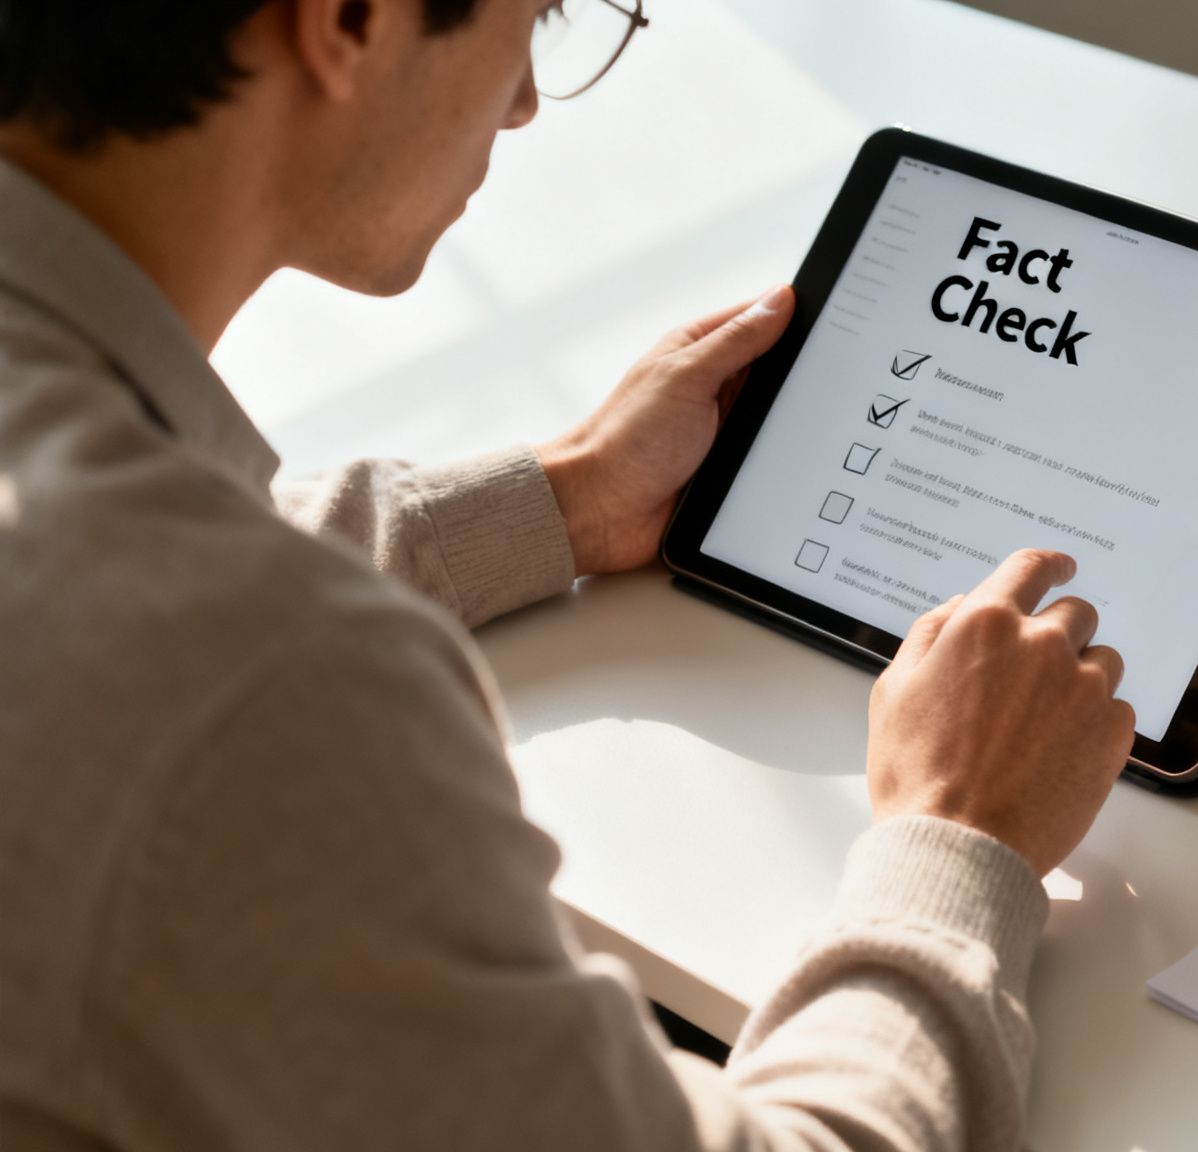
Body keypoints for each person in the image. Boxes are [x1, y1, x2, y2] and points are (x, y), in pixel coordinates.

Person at [0, 1, 1137, 1149]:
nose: (527, 100)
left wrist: (573, 493)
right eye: (534, 13)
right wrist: (959, 834)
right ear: (349, 19)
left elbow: (113, 578)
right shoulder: (259, 693)